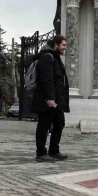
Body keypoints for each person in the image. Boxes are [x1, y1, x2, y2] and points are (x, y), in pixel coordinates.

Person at [31, 35, 70, 163]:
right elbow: (47, 79)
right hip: (47, 100)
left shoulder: (56, 58)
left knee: (59, 123)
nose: (65, 48)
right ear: (56, 44)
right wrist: (50, 97)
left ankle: (54, 150)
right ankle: (41, 153)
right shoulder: (47, 57)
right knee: (44, 125)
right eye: (63, 45)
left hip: (57, 100)